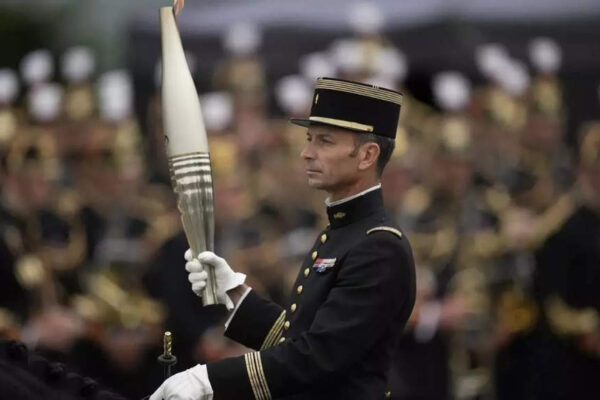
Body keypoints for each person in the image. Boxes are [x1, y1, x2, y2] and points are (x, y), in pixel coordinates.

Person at [150, 77, 416, 400]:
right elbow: (294, 337)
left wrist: (209, 378)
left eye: (325, 142)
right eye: (309, 139)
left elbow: (315, 357)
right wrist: (233, 292)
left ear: (367, 155)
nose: (306, 153)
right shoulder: (340, 234)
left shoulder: (379, 248)